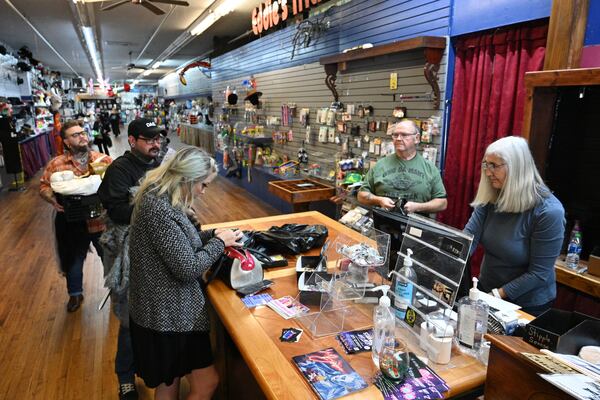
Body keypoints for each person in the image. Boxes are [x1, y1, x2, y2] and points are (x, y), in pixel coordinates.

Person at [128, 147, 242, 399]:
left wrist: (214, 236)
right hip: (169, 318)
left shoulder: (161, 199)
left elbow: (180, 244)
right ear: (187, 179)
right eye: (203, 185)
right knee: (206, 382)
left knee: (169, 382)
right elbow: (187, 268)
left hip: (162, 314)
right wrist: (219, 243)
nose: (204, 191)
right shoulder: (159, 210)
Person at [97, 118, 162, 400]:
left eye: (158, 138)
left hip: (156, 246)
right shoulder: (120, 170)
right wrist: (153, 210)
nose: (155, 144)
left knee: (155, 315)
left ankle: (153, 367)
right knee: (128, 318)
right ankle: (125, 377)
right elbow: (116, 212)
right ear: (132, 140)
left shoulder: (160, 166)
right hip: (126, 252)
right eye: (148, 139)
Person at [464, 136, 565, 316]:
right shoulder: (491, 198)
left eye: (495, 165)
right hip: (487, 290)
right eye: (486, 164)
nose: (488, 172)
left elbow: (539, 274)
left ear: (517, 167)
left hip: (527, 304)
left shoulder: (549, 212)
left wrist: (494, 296)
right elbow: (467, 241)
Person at [39, 120, 113, 312]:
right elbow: (44, 186)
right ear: (66, 142)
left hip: (100, 220)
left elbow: (116, 183)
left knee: (109, 256)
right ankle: (74, 294)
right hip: (71, 222)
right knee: (73, 259)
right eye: (75, 135)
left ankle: (116, 291)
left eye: (82, 132)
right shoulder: (56, 164)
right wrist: (52, 200)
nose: (81, 136)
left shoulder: (102, 160)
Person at [357, 120, 447, 214]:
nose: (399, 138)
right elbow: (361, 195)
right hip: (383, 224)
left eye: (404, 135)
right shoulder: (380, 165)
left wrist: (418, 207)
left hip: (415, 226)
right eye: (395, 135)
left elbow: (442, 203)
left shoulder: (430, 168)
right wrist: (379, 200)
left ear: (416, 138)